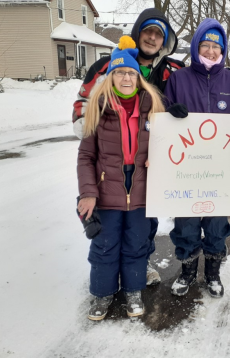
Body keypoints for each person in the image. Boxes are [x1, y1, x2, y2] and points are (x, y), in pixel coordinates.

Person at [73, 8, 184, 287]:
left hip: (154, 160)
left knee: (144, 219)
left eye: (159, 34)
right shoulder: (107, 65)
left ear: (165, 40)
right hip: (113, 158)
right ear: (138, 32)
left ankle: (140, 262)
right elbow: (83, 102)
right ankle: (108, 279)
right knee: (112, 224)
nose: (152, 37)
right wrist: (87, 125)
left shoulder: (173, 70)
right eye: (147, 31)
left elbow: (204, 82)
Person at [77, 36, 165, 320]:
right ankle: (102, 294)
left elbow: (168, 149)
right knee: (104, 246)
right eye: (120, 73)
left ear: (138, 78)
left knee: (137, 244)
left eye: (131, 73)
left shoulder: (153, 107)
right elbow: (86, 157)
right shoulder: (98, 109)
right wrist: (88, 192)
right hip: (107, 192)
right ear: (111, 76)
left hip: (142, 192)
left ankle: (133, 290)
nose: (126, 78)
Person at [164, 18, 230, 298]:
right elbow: (161, 120)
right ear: (197, 45)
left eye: (217, 46)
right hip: (186, 170)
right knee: (186, 224)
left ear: (223, 49)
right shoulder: (178, 79)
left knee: (215, 225)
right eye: (206, 44)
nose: (211, 51)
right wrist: (168, 113)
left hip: (221, 171)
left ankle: (212, 272)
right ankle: (187, 271)